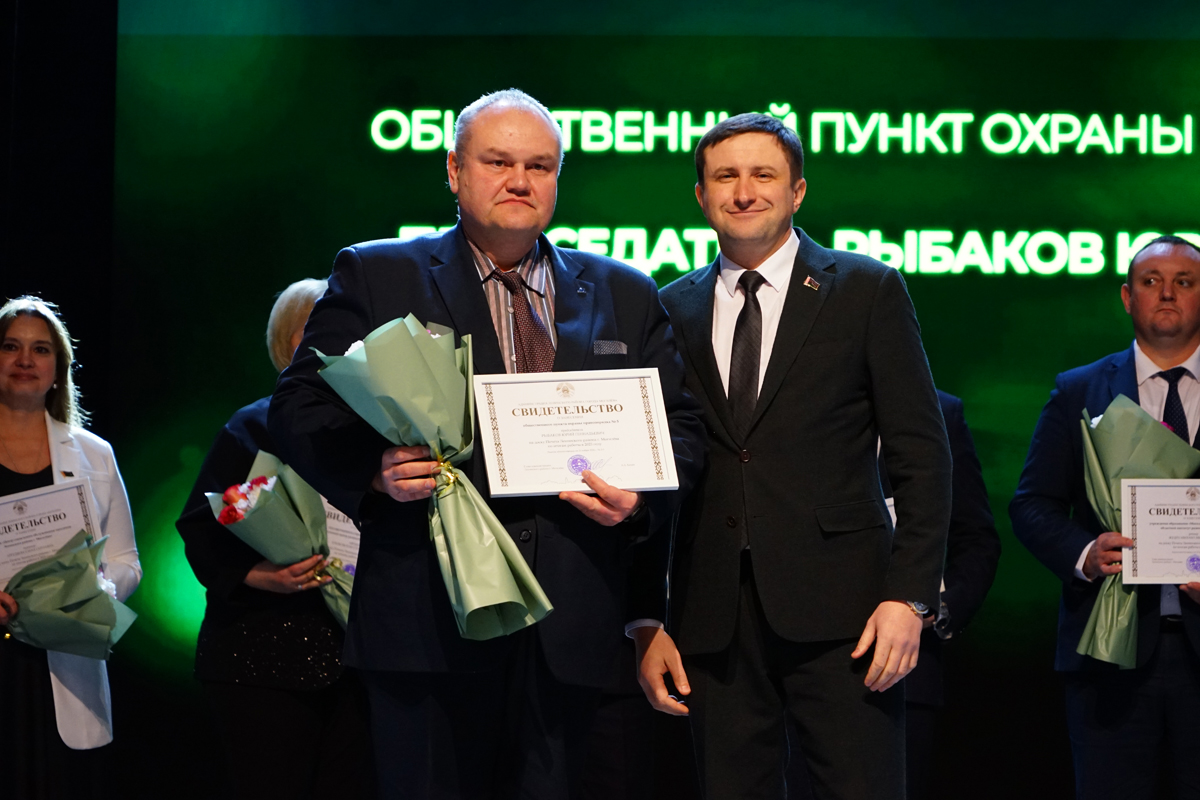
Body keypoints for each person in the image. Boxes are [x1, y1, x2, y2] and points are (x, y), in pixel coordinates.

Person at [268, 88, 705, 800]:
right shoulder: (379, 273)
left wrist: (639, 500)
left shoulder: (624, 290)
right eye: (498, 161)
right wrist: (373, 471)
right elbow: (298, 406)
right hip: (426, 626)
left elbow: (681, 429)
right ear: (454, 170)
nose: (519, 180)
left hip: (568, 631)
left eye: (539, 166)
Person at [645, 113, 952, 800]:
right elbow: (662, 470)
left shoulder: (866, 289)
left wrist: (909, 597)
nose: (744, 191)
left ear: (798, 190)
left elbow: (922, 456)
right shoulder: (669, 307)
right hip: (713, 616)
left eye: (764, 175)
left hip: (848, 614)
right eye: (725, 176)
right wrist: (648, 617)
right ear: (700, 194)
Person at [1010, 234, 1200, 800]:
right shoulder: (1079, 390)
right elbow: (1032, 503)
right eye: (1151, 281)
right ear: (1126, 296)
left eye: (1184, 282)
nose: (1167, 293)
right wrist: (1085, 554)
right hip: (1108, 653)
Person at [174, 278, 374, 800]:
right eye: (314, 329)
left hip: (360, 663)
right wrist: (257, 575)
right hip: (260, 658)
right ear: (289, 344)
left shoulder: (380, 431)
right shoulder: (252, 428)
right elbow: (201, 527)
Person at [787, 390, 1001, 800]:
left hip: (907, 669)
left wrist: (933, 608)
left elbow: (976, 540)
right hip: (801, 655)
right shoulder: (797, 402)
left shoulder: (943, 411)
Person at [0, 296, 141, 799]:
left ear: (58, 369)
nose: (25, 359)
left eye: (40, 349)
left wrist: (91, 588)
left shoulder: (95, 453)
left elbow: (127, 562)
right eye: (10, 346)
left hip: (64, 663)